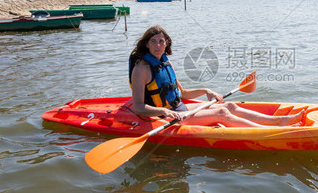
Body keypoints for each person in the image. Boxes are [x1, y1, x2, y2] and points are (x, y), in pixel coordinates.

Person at [128, 25, 304, 127]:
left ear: (166, 44)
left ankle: (279, 120)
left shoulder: (166, 63)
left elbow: (182, 94)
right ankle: (268, 131)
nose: (158, 45)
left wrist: (206, 90)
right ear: (147, 44)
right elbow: (138, 107)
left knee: (229, 105)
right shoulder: (141, 69)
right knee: (221, 112)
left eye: (161, 41)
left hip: (178, 110)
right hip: (164, 117)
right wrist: (164, 111)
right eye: (153, 41)